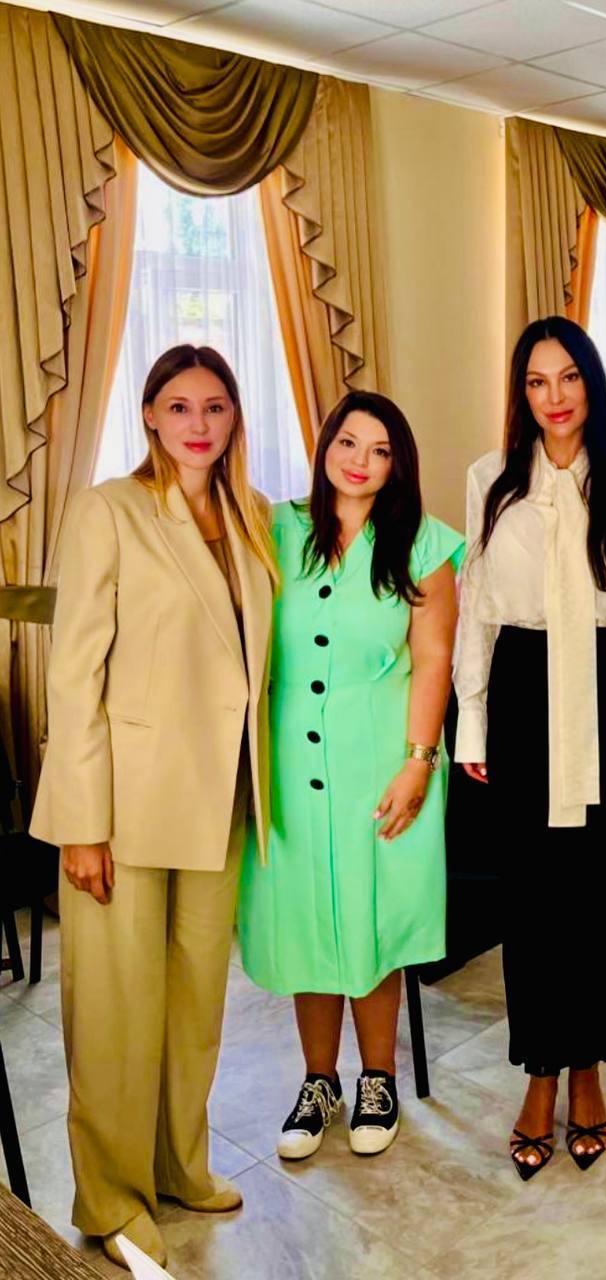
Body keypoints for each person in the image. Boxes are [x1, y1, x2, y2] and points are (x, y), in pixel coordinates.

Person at [30, 345, 276, 1270]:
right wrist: (81, 824)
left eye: (215, 406)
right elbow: (74, 674)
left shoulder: (253, 516)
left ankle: (179, 1166)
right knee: (116, 1010)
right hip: (125, 804)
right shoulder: (110, 509)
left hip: (222, 800)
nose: (198, 424)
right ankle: (111, 1196)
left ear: (234, 416)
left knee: (194, 1003)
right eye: (179, 406)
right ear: (148, 416)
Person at [453, 316, 606, 1180]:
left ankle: (589, 1072)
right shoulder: (490, 477)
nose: (554, 397)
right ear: (521, 392)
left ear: (592, 382)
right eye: (537, 381)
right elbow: (476, 607)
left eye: (569, 377)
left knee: (603, 894)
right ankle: (539, 1074)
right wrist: (471, 721)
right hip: (524, 686)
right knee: (536, 897)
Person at [238, 391, 463, 1160]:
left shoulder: (425, 545)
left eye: (379, 449)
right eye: (347, 442)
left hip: (380, 762)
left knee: (370, 922)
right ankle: (318, 1081)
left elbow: (433, 658)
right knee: (307, 921)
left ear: (397, 464)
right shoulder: (277, 530)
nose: (360, 461)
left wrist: (417, 761)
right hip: (290, 764)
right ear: (325, 445)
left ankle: (377, 1079)